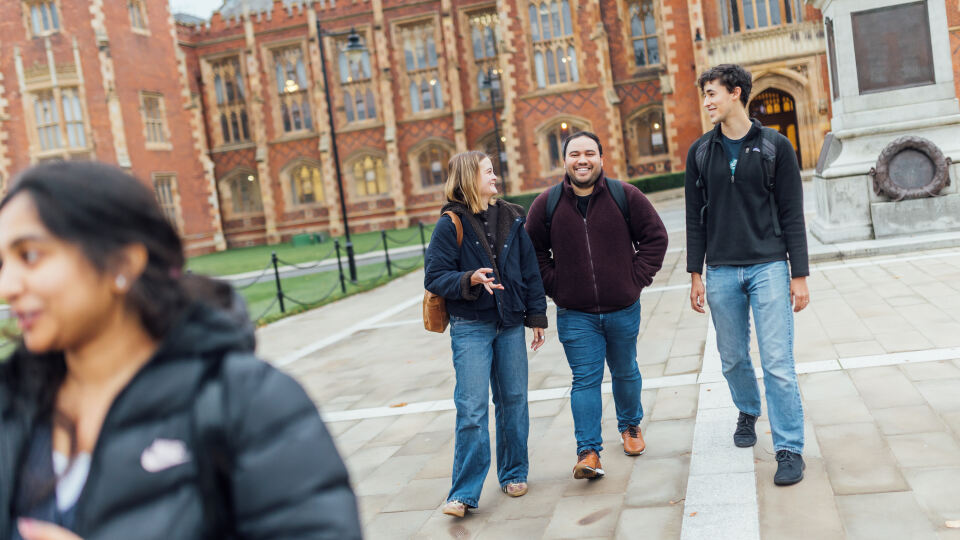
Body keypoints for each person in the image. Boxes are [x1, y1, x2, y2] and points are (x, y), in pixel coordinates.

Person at [0, 162, 362, 540]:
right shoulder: (11, 405)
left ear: (122, 263)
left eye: (29, 255)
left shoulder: (247, 402)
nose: (7, 285)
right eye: (1, 262)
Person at [685, 64, 809, 486]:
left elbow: (793, 213)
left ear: (736, 93)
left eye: (712, 94)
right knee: (733, 357)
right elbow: (693, 217)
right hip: (720, 269)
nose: (706, 102)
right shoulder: (701, 151)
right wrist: (694, 273)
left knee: (778, 362)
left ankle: (790, 447)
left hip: (769, 266)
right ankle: (748, 409)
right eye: (704, 95)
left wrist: (800, 274)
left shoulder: (776, 146)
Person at [525, 131, 667, 480]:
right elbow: (531, 253)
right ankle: (588, 452)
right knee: (584, 381)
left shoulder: (625, 195)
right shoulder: (547, 204)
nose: (582, 159)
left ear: (601, 158)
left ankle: (631, 427)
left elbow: (655, 238)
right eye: (575, 154)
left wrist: (636, 279)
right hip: (576, 314)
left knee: (625, 371)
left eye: (589, 153)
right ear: (565, 161)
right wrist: (556, 285)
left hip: (622, 307)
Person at [424, 151, 547, 518]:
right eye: (489, 171)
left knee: (513, 400)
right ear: (468, 178)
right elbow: (434, 276)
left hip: (509, 323)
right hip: (471, 327)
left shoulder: (512, 215)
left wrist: (536, 316)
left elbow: (530, 270)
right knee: (472, 409)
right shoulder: (450, 223)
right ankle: (463, 493)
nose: (496, 176)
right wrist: (468, 279)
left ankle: (513, 473)